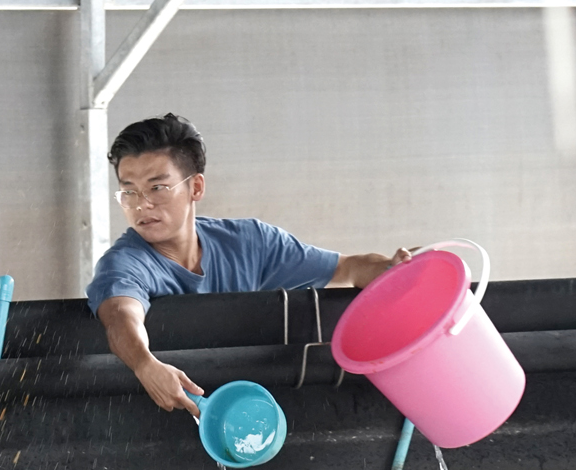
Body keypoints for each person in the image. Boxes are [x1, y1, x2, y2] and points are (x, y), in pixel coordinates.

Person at [87, 113, 410, 416]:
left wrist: (396, 270)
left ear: (195, 187)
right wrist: (146, 366)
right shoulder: (123, 264)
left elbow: (350, 268)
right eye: (129, 191)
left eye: (157, 187)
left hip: (257, 409)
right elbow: (120, 316)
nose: (142, 204)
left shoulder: (252, 242)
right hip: (172, 413)